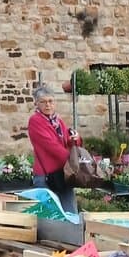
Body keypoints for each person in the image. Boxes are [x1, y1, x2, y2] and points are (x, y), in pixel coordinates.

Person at [28, 84, 80, 213]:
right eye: (43, 102)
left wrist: (75, 139)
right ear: (37, 104)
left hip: (62, 173)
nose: (48, 105)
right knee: (51, 214)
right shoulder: (36, 121)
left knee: (70, 212)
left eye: (50, 101)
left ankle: (72, 233)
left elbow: (68, 141)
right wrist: (72, 160)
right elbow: (51, 146)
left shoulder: (58, 121)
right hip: (46, 175)